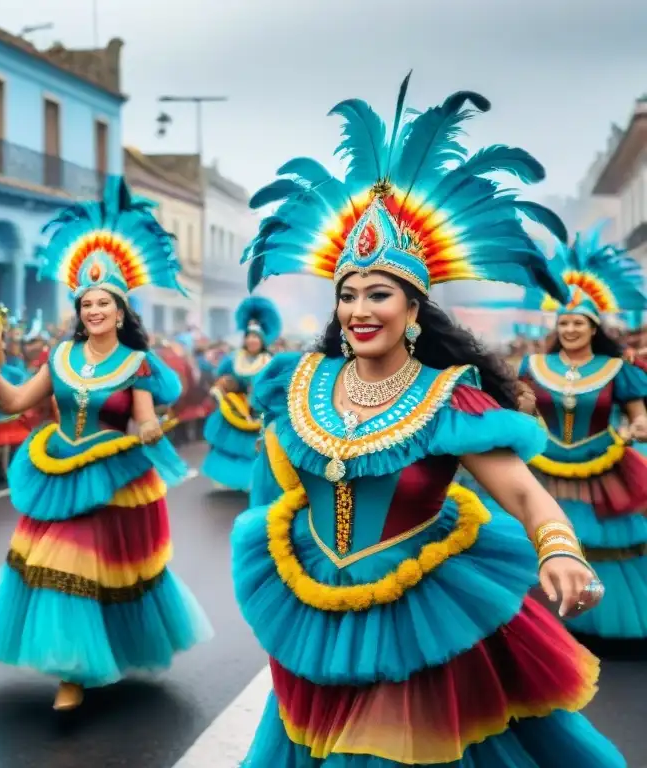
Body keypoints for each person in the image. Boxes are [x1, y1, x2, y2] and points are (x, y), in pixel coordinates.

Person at [232, 76, 624, 766]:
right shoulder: (299, 386)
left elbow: (525, 494)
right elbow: (276, 489)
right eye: (347, 293)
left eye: (378, 293)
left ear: (414, 311)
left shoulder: (449, 399)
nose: (358, 308)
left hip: (422, 613)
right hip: (313, 608)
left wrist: (558, 548)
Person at [0, 176, 213, 711]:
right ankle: (71, 671)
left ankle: (99, 654)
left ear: (120, 311)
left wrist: (150, 430)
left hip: (114, 476)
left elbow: (144, 419)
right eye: (85, 302)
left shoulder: (137, 363)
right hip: (60, 470)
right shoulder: (60, 358)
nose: (93, 310)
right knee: (63, 567)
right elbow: (16, 402)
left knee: (103, 571)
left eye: (103, 302)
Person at [515, 225, 647, 641]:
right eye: (565, 322)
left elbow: (639, 416)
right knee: (542, 540)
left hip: (602, 466)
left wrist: (637, 427)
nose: (571, 329)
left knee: (601, 547)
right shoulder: (532, 368)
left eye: (579, 323)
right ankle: (545, 625)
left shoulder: (617, 370)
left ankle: (591, 614)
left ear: (594, 328)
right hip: (544, 464)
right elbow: (522, 409)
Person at [201, 296, 280, 492]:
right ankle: (226, 479)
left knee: (257, 448)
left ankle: (251, 481)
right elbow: (223, 377)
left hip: (260, 409)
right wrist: (227, 385)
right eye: (249, 336)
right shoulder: (233, 359)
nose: (252, 340)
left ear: (262, 340)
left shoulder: (270, 361)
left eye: (255, 337)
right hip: (236, 409)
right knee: (227, 444)